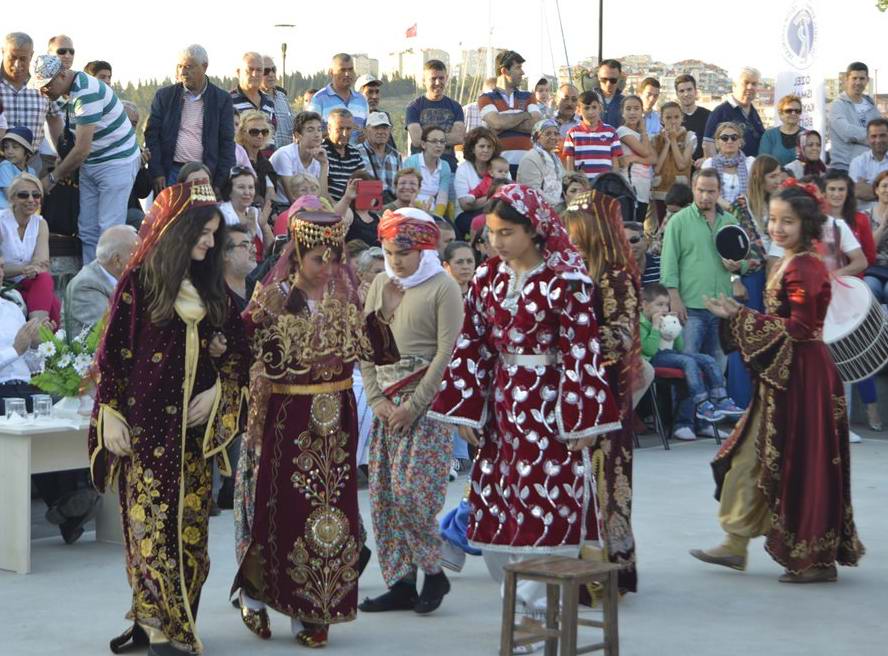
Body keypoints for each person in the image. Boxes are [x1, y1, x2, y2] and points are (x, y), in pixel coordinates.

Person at [428, 184, 621, 624]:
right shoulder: (487, 278)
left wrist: (582, 418)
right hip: (501, 406)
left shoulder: (566, 280)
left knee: (547, 499)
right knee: (499, 498)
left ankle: (537, 606)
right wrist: (465, 409)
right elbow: (472, 343)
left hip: (550, 408)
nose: (496, 242)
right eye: (491, 233)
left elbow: (581, 349)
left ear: (534, 231)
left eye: (507, 232)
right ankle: (515, 595)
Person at [231, 201, 400, 647]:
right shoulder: (271, 299)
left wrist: (385, 313)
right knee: (283, 511)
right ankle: (258, 591)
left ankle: (316, 608)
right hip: (287, 421)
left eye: (334, 258)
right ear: (295, 255)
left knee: (333, 516)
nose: (327, 267)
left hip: (337, 424)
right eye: (317, 259)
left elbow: (379, 353)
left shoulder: (349, 301)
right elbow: (239, 350)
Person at [93, 181, 250, 656]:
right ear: (178, 230)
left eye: (213, 235)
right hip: (145, 430)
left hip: (193, 435)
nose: (208, 243)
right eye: (202, 233)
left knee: (190, 533)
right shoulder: (138, 284)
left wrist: (219, 389)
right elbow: (113, 358)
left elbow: (239, 355)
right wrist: (110, 415)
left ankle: (167, 618)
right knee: (150, 527)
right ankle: (159, 626)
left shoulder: (213, 289)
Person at [692, 180, 865, 583]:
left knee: (801, 462)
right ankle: (735, 542)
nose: (777, 228)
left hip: (803, 376)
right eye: (772, 220)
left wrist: (739, 317)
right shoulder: (789, 260)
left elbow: (801, 328)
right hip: (786, 373)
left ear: (807, 224)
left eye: (787, 221)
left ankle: (814, 559)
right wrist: (738, 314)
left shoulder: (804, 265)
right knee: (748, 457)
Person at [358, 208, 464, 615]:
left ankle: (433, 571)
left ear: (424, 249)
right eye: (389, 251)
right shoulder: (381, 283)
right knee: (384, 498)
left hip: (428, 408)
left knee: (412, 496)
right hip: (387, 406)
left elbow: (446, 354)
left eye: (405, 251)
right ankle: (402, 583)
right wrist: (377, 400)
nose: (396, 259)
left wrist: (415, 405)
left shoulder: (443, 287)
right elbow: (367, 345)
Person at [562, 190, 643, 591]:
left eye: (578, 232)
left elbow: (621, 335)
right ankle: (571, 564)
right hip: (572, 390)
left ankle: (609, 569)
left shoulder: (614, 274)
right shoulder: (566, 272)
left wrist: (574, 343)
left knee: (607, 480)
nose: (571, 238)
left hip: (606, 392)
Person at [661, 169, 749, 439]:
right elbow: (669, 263)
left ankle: (706, 423)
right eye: (701, 190)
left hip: (720, 306)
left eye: (711, 191)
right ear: (693, 188)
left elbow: (744, 259)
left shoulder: (731, 221)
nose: (705, 196)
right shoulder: (679, 221)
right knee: (689, 363)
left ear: (719, 191)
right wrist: (674, 298)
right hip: (691, 304)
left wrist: (738, 266)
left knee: (714, 365)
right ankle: (683, 422)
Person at [30, 54, 139, 263]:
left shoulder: (86, 93)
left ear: (62, 75)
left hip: (116, 163)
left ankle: (111, 286)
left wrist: (52, 179)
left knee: (109, 229)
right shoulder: (73, 90)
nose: (43, 91)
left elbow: (81, 150)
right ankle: (89, 279)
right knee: (87, 228)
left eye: (46, 85)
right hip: (92, 163)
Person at [640, 282, 744, 423]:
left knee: (707, 359)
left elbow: (680, 348)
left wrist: (675, 328)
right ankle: (701, 403)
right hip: (652, 359)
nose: (664, 309)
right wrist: (656, 326)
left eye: (666, 304)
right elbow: (650, 350)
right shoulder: (640, 323)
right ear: (645, 304)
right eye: (659, 305)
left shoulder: (665, 319)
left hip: (670, 355)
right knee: (688, 361)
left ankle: (720, 398)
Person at [145, 44, 235, 193]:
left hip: (205, 174)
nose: (183, 72)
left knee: (202, 215)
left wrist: (219, 183)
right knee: (173, 215)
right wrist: (157, 172)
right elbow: (152, 136)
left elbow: (227, 143)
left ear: (204, 67)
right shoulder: (165, 96)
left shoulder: (221, 99)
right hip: (171, 172)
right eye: (180, 67)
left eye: (188, 67)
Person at [0, 174, 60, 324]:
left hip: (29, 282)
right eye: (23, 195)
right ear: (12, 198)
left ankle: (36, 331)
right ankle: (39, 334)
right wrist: (25, 269)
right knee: (53, 304)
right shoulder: (1, 222)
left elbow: (42, 263)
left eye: (36, 195)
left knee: (43, 278)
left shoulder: (40, 223)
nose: (31, 200)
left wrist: (34, 269)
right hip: (5, 283)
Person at [63, 225, 139, 337]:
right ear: (117, 260)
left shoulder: (123, 276)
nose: (143, 260)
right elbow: (112, 330)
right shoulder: (86, 285)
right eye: (137, 255)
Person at [479, 50, 541, 177]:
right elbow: (497, 123)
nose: (522, 72)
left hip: (527, 168)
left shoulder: (529, 96)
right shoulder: (486, 98)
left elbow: (536, 125)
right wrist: (524, 115)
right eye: (518, 67)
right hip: (498, 170)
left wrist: (502, 125)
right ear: (504, 71)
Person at [0, 33, 62, 156]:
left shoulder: (43, 84)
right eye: (12, 57)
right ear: (2, 51)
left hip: (33, 164)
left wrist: (61, 153)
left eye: (23, 59)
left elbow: (54, 120)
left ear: (32, 55)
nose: (17, 65)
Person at [406, 60, 465, 172]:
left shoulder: (455, 107)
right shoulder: (414, 107)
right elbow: (417, 140)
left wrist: (428, 139)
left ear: (446, 78)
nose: (438, 82)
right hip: (420, 170)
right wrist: (445, 138)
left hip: (449, 167)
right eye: (433, 79)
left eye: (441, 78)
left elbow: (458, 137)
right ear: (424, 81)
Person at [828, 62, 882, 173]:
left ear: (867, 80)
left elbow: (882, 133)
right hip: (844, 168)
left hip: (870, 168)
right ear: (847, 79)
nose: (858, 82)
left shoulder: (871, 106)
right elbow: (846, 132)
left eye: (862, 78)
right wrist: (874, 137)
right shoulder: (838, 105)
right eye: (854, 78)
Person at [307, 53, 368, 144]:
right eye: (342, 70)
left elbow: (368, 130)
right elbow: (309, 133)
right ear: (331, 72)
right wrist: (335, 131)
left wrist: (365, 134)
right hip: (328, 157)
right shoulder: (319, 99)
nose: (347, 74)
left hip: (357, 157)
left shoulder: (361, 100)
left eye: (350, 69)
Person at [703, 68, 765, 158]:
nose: (750, 87)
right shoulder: (720, 112)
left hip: (752, 169)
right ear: (734, 86)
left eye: (754, 84)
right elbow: (708, 145)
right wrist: (716, 169)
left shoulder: (754, 112)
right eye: (746, 83)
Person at [269, 110, 329, 203]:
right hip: (283, 208)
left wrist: (324, 164)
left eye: (319, 129)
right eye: (310, 130)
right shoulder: (285, 155)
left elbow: (323, 198)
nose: (317, 134)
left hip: (310, 207)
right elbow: (293, 198)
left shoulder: (320, 156)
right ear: (298, 135)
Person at [564, 90, 622, 181]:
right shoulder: (572, 133)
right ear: (578, 110)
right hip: (582, 186)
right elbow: (569, 168)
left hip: (604, 185)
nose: (591, 112)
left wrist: (615, 183)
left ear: (600, 108)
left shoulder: (611, 132)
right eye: (586, 108)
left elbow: (615, 164)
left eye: (594, 107)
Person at [651, 102, 695, 221]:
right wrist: (666, 144)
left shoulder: (689, 137)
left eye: (676, 117)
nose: (673, 121)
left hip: (681, 190)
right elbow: (656, 169)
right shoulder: (656, 139)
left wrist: (673, 140)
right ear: (661, 119)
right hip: (660, 190)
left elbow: (682, 164)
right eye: (668, 117)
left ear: (682, 118)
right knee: (661, 226)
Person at [454, 127, 501, 236]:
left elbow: (508, 192)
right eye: (481, 146)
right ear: (472, 149)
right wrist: (494, 196)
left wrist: (479, 201)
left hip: (496, 211)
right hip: (466, 215)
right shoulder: (463, 169)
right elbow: (465, 205)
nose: (486, 150)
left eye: (489, 146)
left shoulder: (500, 166)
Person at [617, 95, 657, 221]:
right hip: (629, 189)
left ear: (642, 111)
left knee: (639, 229)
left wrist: (634, 158)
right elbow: (646, 152)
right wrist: (644, 131)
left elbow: (654, 159)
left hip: (643, 189)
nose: (632, 112)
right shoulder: (622, 131)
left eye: (636, 108)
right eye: (628, 109)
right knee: (629, 230)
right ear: (622, 113)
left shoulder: (642, 135)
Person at [219, 167, 273, 257]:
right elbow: (229, 254)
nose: (247, 192)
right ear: (229, 191)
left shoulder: (255, 212)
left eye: (251, 187)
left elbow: (271, 251)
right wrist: (250, 234)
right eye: (241, 187)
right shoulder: (222, 215)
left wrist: (264, 227)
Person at [403, 126, 453, 217]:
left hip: (433, 212)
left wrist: (437, 216)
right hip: (411, 209)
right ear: (423, 144)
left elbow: (443, 196)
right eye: (434, 141)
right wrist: (422, 209)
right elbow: (406, 193)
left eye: (442, 142)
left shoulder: (445, 166)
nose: (439, 145)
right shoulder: (412, 162)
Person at [702, 122, 756, 204]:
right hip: (716, 213)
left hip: (745, 212)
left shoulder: (751, 163)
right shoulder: (709, 165)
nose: (730, 141)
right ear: (717, 143)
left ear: (740, 142)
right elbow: (705, 192)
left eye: (734, 137)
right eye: (724, 138)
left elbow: (757, 192)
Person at [516, 118, 564, 206]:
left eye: (556, 134)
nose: (553, 137)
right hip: (537, 208)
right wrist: (557, 204)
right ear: (537, 137)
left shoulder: (555, 157)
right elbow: (532, 192)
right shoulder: (531, 158)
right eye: (548, 133)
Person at [234, 110, 277, 206]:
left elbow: (272, 197)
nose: (260, 136)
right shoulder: (236, 157)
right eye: (254, 132)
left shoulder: (266, 165)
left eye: (264, 132)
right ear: (242, 132)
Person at [322, 108, 365, 201]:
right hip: (329, 206)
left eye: (348, 129)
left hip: (353, 205)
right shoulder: (321, 152)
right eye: (340, 129)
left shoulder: (355, 154)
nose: (345, 134)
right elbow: (321, 191)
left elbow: (364, 183)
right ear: (329, 128)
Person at [359, 112, 401, 202]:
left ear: (389, 131)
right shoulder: (356, 152)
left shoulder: (396, 155)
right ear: (366, 130)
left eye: (385, 128)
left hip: (391, 207)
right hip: (366, 206)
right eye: (376, 128)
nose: (381, 132)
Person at [849, 118, 888, 211]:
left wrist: (869, 189)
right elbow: (857, 191)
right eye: (873, 136)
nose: (878, 140)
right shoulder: (857, 162)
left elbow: (863, 191)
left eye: (882, 135)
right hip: (865, 219)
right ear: (867, 139)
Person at [229, 51, 274, 124]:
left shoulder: (269, 102)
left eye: (259, 70)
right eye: (250, 69)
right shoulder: (227, 101)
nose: (254, 74)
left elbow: (273, 133)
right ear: (238, 72)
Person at [675, 74, 710, 165]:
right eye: (682, 91)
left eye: (689, 89)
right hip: (677, 171)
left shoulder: (709, 116)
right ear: (677, 94)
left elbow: (717, 144)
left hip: (701, 172)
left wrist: (705, 159)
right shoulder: (672, 117)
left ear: (695, 91)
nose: (686, 94)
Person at [759, 95, 804, 166]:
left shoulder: (807, 135)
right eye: (789, 111)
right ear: (780, 113)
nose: (794, 113)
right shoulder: (769, 136)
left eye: (797, 111)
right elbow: (763, 164)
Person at [865, 170, 888, 305]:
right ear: (877, 190)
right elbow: (868, 250)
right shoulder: (865, 216)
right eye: (884, 186)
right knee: (870, 288)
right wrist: (883, 226)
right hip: (872, 269)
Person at [0, 126, 37, 207]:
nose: (9, 151)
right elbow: (9, 194)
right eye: (6, 147)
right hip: (4, 213)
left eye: (15, 147)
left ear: (26, 151)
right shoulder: (5, 166)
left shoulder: (32, 172)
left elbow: (35, 195)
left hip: (22, 213)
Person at [222, 223, 256, 310]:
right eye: (244, 245)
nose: (254, 250)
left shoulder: (257, 287)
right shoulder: (214, 297)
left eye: (251, 245)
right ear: (225, 254)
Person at [260, 55, 292, 149]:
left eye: (273, 69)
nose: (271, 74)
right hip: (265, 158)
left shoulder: (282, 97)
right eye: (266, 71)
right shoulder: (255, 100)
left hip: (285, 158)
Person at [624, 220, 660, 286]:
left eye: (634, 240)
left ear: (644, 240)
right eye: (624, 243)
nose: (630, 246)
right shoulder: (615, 273)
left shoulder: (663, 264)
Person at [595, 59, 624, 128]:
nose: (608, 84)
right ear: (598, 77)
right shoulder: (588, 100)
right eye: (604, 80)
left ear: (619, 78)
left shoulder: (625, 102)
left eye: (613, 80)